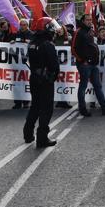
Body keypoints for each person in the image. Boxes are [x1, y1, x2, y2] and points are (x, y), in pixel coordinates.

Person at [24, 17, 62, 148]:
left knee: (35, 105)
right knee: (46, 109)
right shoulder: (48, 44)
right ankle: (42, 138)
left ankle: (28, 134)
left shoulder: (32, 43)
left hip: (34, 77)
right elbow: (54, 66)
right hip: (45, 80)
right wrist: (52, 77)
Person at [72, 14, 105, 117]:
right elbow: (73, 48)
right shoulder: (78, 32)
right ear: (82, 21)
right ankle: (82, 108)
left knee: (97, 86)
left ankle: (104, 107)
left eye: (90, 20)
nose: (89, 21)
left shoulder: (89, 32)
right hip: (85, 65)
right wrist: (83, 60)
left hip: (93, 64)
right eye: (87, 20)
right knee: (83, 86)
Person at [54, 25, 72, 110]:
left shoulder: (68, 39)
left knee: (65, 83)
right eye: (58, 29)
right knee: (58, 83)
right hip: (57, 65)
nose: (59, 30)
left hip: (67, 66)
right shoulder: (54, 39)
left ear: (64, 29)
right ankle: (59, 100)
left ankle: (65, 101)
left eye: (61, 28)